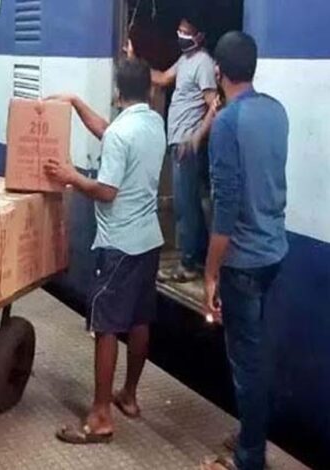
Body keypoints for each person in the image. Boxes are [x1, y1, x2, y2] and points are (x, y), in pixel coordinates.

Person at [44, 58, 166, 444]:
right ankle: (128, 396)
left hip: (118, 245)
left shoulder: (120, 134)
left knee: (107, 326)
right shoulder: (154, 123)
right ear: (148, 90)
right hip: (148, 241)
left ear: (117, 93)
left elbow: (107, 191)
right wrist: (76, 102)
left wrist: (71, 177)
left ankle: (100, 416)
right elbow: (110, 132)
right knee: (140, 319)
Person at [201, 32, 289, 470]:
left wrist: (210, 273)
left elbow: (227, 208)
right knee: (256, 354)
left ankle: (249, 458)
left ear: (218, 71)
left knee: (246, 364)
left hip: (243, 262)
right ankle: (251, 435)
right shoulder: (276, 111)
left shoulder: (226, 124)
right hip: (275, 251)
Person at [152, 17, 218, 283]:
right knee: (191, 204)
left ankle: (188, 263)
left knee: (185, 207)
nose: (181, 35)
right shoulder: (185, 60)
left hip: (187, 145)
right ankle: (198, 257)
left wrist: (196, 137)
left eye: (187, 32)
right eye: (179, 30)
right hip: (179, 142)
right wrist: (134, 62)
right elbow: (162, 79)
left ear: (199, 36)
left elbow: (213, 104)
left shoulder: (203, 62)